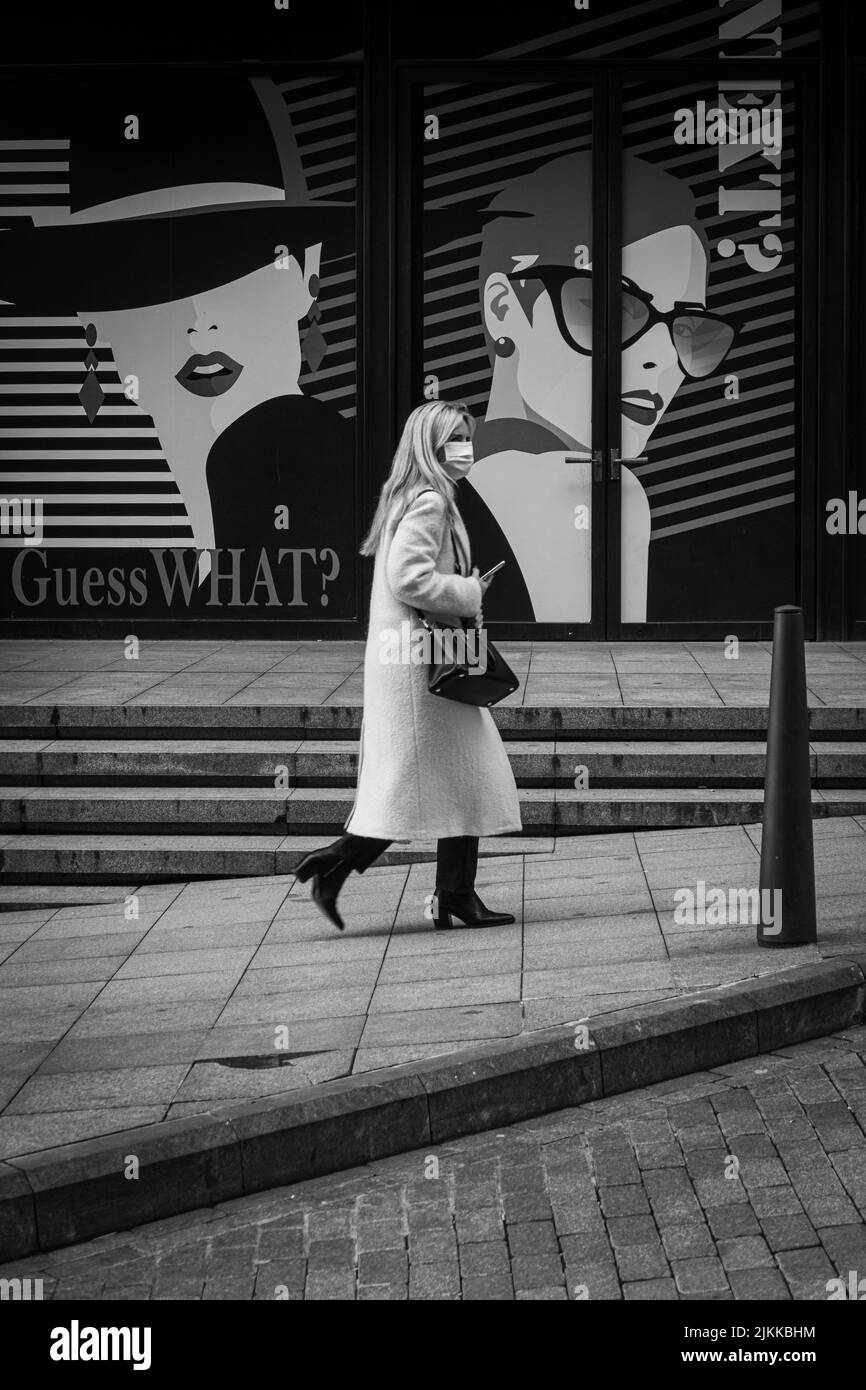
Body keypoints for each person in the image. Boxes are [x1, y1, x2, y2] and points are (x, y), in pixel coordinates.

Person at [294, 399, 522, 932]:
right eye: (455, 441)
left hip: (412, 666)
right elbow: (409, 580)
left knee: (443, 781)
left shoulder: (411, 496)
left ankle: (445, 893)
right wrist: (470, 590)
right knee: (447, 780)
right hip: (424, 671)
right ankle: (340, 866)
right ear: (431, 446)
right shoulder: (429, 502)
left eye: (468, 438)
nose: (466, 450)